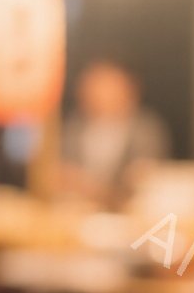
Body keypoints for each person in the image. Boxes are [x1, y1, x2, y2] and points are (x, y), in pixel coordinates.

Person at [57, 62, 170, 209]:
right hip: (79, 212)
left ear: (129, 91)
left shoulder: (145, 131)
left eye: (109, 88)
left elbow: (144, 180)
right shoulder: (73, 128)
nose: (100, 95)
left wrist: (97, 189)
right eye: (94, 88)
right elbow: (61, 173)